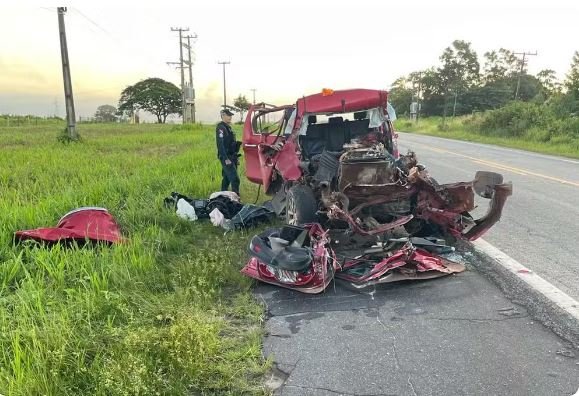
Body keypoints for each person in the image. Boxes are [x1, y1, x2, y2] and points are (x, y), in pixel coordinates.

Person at [216, 108, 240, 197]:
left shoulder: (228, 127)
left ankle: (222, 195)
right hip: (226, 157)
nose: (230, 117)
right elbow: (220, 144)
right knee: (235, 179)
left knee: (226, 179)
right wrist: (225, 158)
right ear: (223, 116)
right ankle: (236, 199)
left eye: (231, 115)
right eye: (228, 115)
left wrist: (236, 158)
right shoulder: (220, 128)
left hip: (232, 156)